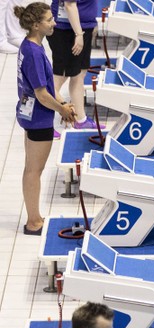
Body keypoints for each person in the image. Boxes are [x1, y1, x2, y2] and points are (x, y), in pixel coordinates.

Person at [15, 2, 76, 235]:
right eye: (49, 20)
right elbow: (41, 95)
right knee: (33, 171)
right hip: (38, 118)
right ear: (36, 25)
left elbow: (47, 87)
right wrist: (61, 110)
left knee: (30, 168)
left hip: (29, 114)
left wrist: (62, 103)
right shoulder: (33, 52)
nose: (54, 23)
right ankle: (33, 222)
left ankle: (34, 216)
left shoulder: (31, 46)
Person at [47, 0, 98, 130]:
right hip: (67, 31)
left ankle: (80, 120)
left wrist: (92, 24)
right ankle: (43, 124)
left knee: (79, 74)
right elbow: (69, 5)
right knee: (58, 78)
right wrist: (79, 34)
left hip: (82, 27)